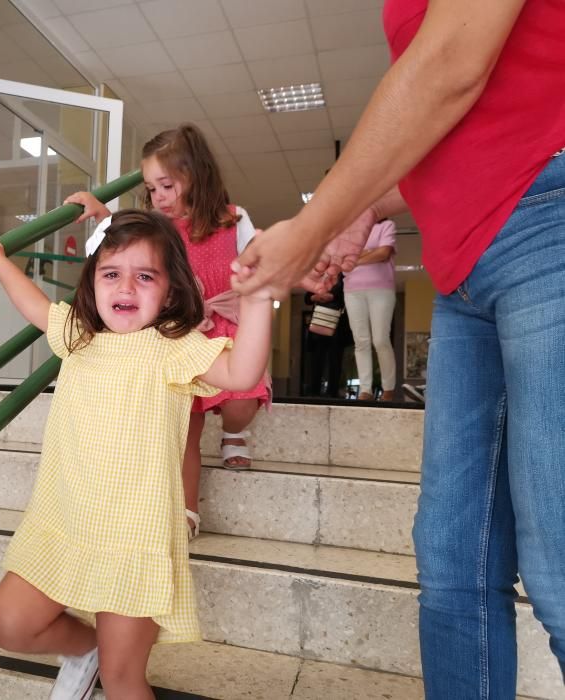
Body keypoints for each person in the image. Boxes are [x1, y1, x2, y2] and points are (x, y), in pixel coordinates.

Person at [231, 0, 565, 694]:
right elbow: (453, 125)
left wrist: (310, 224)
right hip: (462, 267)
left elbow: (449, 68)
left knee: (559, 570)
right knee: (450, 566)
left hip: (549, 220)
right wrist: (363, 209)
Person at [0, 210, 272, 699]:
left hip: (136, 538)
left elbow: (240, 374)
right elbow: (34, 305)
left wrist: (259, 297)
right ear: (91, 285)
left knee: (123, 680)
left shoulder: (174, 347)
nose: (126, 287)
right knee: (9, 623)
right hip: (65, 523)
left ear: (171, 292)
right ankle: (88, 648)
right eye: (111, 274)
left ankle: (107, 661)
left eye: (145, 276)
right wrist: (0, 259)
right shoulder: (80, 336)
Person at [65, 123, 271, 540]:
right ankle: (187, 512)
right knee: (185, 431)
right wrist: (104, 214)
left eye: (166, 185)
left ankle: (234, 431)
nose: (158, 197)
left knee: (241, 402)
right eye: (151, 188)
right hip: (181, 335)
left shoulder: (235, 219)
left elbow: (257, 261)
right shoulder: (156, 226)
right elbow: (123, 240)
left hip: (226, 326)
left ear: (195, 175)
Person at [342, 218, 397, 401]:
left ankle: (388, 389)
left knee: (381, 339)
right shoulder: (349, 231)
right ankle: (365, 390)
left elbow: (384, 252)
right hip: (352, 290)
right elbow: (343, 260)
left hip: (381, 288)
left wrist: (356, 259)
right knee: (361, 341)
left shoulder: (385, 225)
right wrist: (369, 254)